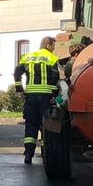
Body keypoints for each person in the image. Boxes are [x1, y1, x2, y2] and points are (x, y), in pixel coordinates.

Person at [14, 36, 60, 164]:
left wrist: (19, 88)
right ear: (47, 45)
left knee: (30, 125)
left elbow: (17, 71)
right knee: (46, 125)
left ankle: (28, 154)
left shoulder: (29, 57)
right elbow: (55, 76)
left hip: (31, 98)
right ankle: (46, 153)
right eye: (53, 46)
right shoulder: (51, 58)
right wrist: (54, 95)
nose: (54, 49)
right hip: (45, 98)